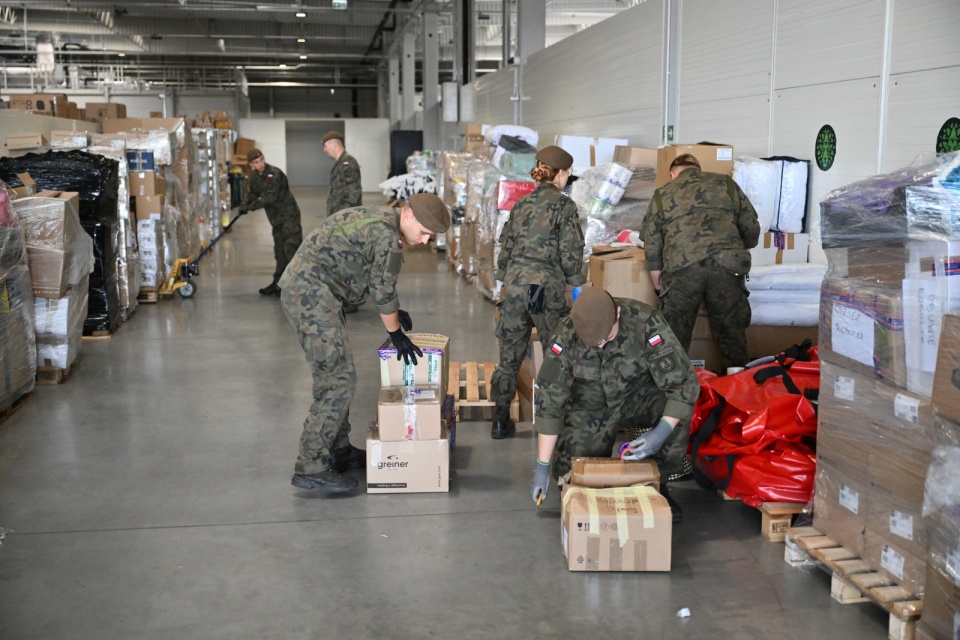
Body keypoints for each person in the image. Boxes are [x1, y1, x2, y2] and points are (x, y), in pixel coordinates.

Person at [278, 194, 451, 493]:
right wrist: (396, 334)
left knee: (338, 375)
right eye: (424, 232)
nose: (424, 241)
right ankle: (311, 465)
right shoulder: (388, 238)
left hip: (316, 291)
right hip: (311, 296)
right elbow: (383, 290)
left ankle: (338, 448)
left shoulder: (380, 219)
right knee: (337, 380)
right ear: (408, 215)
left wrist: (394, 313)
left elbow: (370, 276)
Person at [529, 288, 700, 521]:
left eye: (607, 338)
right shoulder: (566, 336)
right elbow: (549, 402)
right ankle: (581, 487)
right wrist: (542, 466)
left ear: (617, 313)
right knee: (574, 475)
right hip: (590, 407)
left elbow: (683, 384)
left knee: (675, 410)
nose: (600, 346)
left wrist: (661, 432)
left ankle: (659, 484)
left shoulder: (645, 322)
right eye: (593, 343)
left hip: (637, 398)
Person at [489, 145, 585, 440]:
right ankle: (554, 420)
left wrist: (505, 279)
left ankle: (500, 420)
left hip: (516, 287)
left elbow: (505, 246)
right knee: (556, 355)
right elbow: (570, 253)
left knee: (509, 358)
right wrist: (578, 283)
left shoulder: (522, 204)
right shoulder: (564, 206)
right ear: (562, 174)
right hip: (546, 289)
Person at [641, 153, 760, 370]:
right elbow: (751, 227)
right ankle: (736, 386)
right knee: (732, 332)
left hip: (682, 268)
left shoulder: (663, 194)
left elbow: (652, 244)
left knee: (674, 335)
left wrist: (658, 282)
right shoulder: (726, 184)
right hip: (727, 265)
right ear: (698, 169)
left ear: (672, 174)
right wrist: (739, 250)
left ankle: (674, 388)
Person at [238, 148, 304, 297]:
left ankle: (298, 286)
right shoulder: (254, 176)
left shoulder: (273, 174)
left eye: (261, 160)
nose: (260, 164)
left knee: (291, 251)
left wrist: (249, 208)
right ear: (251, 165)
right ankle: (278, 284)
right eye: (256, 162)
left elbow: (269, 198)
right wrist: (243, 204)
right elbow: (253, 193)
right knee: (279, 252)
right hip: (276, 220)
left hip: (289, 217)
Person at [322, 130, 363, 216]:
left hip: (346, 217)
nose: (324, 150)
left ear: (334, 145)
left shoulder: (347, 163)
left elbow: (353, 193)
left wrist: (343, 214)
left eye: (325, 146)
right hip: (339, 215)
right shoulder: (340, 163)